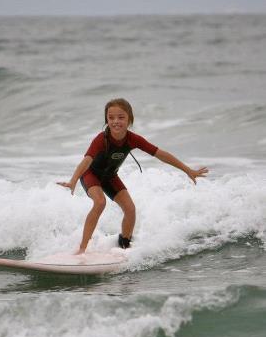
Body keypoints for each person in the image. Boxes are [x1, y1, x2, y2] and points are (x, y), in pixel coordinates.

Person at [57, 98, 208, 254]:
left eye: (121, 117)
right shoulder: (101, 140)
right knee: (100, 202)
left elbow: (160, 154)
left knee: (130, 209)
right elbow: (86, 161)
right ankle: (82, 249)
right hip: (90, 174)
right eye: (111, 117)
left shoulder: (133, 139)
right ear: (106, 119)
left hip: (109, 177)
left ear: (130, 118)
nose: (116, 121)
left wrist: (187, 170)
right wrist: (73, 180)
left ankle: (124, 244)